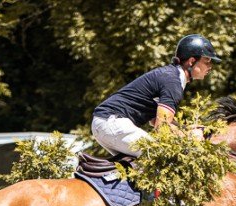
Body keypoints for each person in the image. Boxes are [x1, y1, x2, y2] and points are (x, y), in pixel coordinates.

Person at [91, 34, 222, 157]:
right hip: (112, 122)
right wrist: (190, 136)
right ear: (192, 61)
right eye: (207, 61)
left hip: (105, 123)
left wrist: (185, 128)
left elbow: (155, 120)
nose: (210, 66)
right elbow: (162, 129)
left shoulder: (171, 76)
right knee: (159, 158)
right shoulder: (173, 81)